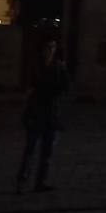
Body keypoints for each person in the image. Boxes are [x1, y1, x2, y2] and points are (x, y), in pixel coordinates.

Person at [16, 38, 70, 192]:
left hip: (51, 114)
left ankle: (40, 181)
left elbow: (66, 88)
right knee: (30, 150)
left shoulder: (59, 67)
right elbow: (31, 89)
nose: (50, 50)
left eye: (52, 47)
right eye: (47, 47)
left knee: (46, 152)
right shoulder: (36, 67)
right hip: (36, 113)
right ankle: (23, 180)